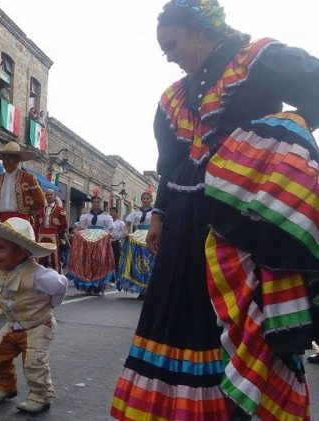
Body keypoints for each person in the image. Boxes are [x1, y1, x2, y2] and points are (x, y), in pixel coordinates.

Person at [111, 2, 319, 419]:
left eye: (172, 43)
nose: (168, 55)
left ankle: (242, 405)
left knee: (242, 312)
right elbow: (169, 162)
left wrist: (279, 139)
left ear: (200, 31)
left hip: (243, 220)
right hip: (186, 219)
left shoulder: (258, 59)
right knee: (182, 313)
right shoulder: (172, 97)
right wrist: (158, 215)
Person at [0, 217, 67, 415]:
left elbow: (61, 285)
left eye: (1, 248)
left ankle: (40, 396)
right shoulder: (3, 271)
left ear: (20, 252)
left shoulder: (39, 274)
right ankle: (6, 387)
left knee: (34, 362)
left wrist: (52, 305)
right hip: (14, 324)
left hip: (38, 325)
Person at [0, 142, 46, 224]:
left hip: (21, 221)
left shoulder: (29, 178)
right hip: (2, 220)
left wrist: (28, 212)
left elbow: (40, 201)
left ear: (17, 160)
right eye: (4, 158)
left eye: (10, 158)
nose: (6, 161)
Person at [68, 196, 114, 295]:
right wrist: (75, 233)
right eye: (94, 202)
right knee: (87, 260)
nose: (96, 204)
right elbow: (80, 227)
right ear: (91, 203)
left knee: (99, 261)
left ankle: (98, 285)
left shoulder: (106, 215)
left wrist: (109, 234)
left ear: (100, 203)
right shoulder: (86, 215)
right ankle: (87, 285)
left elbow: (110, 228)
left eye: (98, 202)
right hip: (87, 239)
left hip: (101, 239)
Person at [116, 193, 155, 299]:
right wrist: (126, 233)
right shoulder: (135, 212)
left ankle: (149, 289)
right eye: (143, 198)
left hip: (150, 237)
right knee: (136, 263)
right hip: (137, 236)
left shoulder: (154, 212)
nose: (145, 200)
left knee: (150, 264)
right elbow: (127, 224)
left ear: (151, 200)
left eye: (147, 198)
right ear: (141, 200)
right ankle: (141, 290)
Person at [34, 188, 68, 274]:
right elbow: (36, 225)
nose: (49, 196)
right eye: (47, 195)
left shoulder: (60, 210)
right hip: (41, 235)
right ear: (45, 197)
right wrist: (34, 236)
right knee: (39, 258)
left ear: (55, 196)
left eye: (51, 195)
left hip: (54, 235)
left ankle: (57, 279)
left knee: (55, 258)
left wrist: (57, 232)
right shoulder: (40, 210)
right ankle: (37, 278)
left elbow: (64, 225)